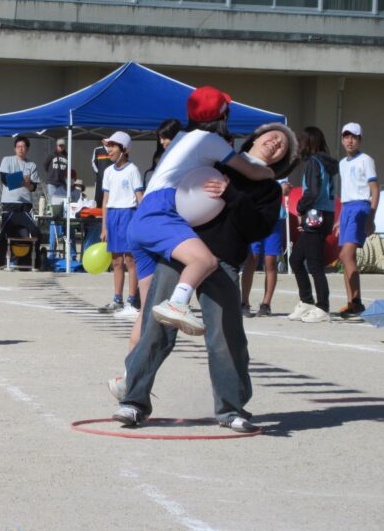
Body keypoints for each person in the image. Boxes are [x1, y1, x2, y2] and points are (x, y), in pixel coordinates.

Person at [109, 123, 299, 433]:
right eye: (272, 136)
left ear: (282, 160)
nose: (276, 142)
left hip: (223, 263)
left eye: (283, 146)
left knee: (226, 337)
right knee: (156, 327)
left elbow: (259, 229)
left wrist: (233, 194)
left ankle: (231, 409)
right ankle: (134, 401)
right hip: (181, 255)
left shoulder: (269, 188)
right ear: (255, 137)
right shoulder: (215, 159)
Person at [125, 86, 275, 337]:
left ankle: (129, 376)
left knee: (146, 312)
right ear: (223, 117)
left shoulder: (181, 138)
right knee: (205, 260)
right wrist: (270, 172)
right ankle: (178, 302)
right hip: (162, 210)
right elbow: (249, 170)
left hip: (140, 217)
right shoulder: (210, 140)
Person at [288, 126, 339, 323]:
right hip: (326, 213)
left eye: (301, 140)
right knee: (295, 260)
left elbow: (312, 192)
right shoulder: (326, 162)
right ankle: (307, 301)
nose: (299, 144)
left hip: (315, 215)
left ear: (308, 142)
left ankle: (323, 306)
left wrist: (300, 208)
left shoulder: (313, 163)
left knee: (314, 264)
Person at [98, 131, 144, 317]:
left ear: (124, 149)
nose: (109, 150)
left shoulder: (133, 170)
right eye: (108, 146)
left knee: (130, 260)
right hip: (113, 217)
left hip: (129, 215)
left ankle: (132, 301)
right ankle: (117, 299)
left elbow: (140, 197)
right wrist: (104, 226)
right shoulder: (108, 172)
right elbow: (105, 200)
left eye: (113, 146)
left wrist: (143, 222)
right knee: (116, 260)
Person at [337, 122, 378, 318]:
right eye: (346, 136)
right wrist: (340, 217)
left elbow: (375, 190)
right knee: (346, 258)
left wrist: (371, 216)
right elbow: (346, 191)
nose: (349, 140)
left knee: (347, 255)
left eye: (353, 137)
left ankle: (357, 301)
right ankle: (351, 302)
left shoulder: (366, 160)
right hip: (346, 209)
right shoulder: (342, 163)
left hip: (361, 207)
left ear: (360, 139)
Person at [241, 178, 291, 317]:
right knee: (252, 258)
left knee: (270, 261)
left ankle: (266, 304)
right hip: (255, 216)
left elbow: (285, 188)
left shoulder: (280, 169)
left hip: (275, 219)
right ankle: (244, 302)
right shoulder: (252, 166)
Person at [0, 135, 41, 268]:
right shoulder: (7, 160)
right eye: (18, 147)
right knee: (4, 233)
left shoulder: (31, 165)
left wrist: (26, 183)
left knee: (35, 232)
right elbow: (5, 180)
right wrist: (23, 180)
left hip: (25, 206)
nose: (21, 149)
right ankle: (1, 259)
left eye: (24, 147)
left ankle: (34, 260)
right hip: (9, 205)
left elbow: (33, 187)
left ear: (27, 149)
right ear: (15, 148)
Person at [142, 119, 182, 187]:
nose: (161, 142)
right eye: (160, 138)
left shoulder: (186, 155)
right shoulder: (168, 157)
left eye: (164, 138)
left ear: (174, 136)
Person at [91, 138, 114, 207]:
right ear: (102, 141)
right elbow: (93, 162)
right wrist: (98, 172)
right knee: (99, 196)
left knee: (111, 196)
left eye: (108, 140)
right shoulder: (98, 150)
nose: (106, 142)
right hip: (100, 178)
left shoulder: (113, 150)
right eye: (105, 140)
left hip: (112, 178)